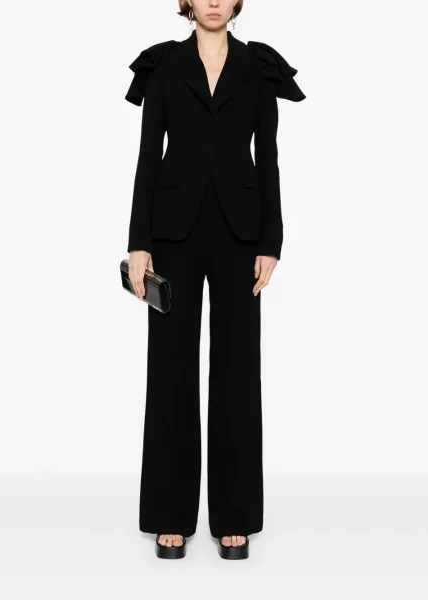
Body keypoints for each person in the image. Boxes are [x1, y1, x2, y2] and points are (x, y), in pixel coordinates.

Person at [124, 0, 305, 560]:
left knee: (237, 372)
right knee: (170, 370)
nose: (213, 0)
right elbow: (148, 157)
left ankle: (236, 515)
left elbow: (268, 159)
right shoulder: (162, 65)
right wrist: (138, 243)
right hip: (171, 234)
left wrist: (271, 242)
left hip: (239, 236)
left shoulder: (259, 68)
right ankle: (169, 514)